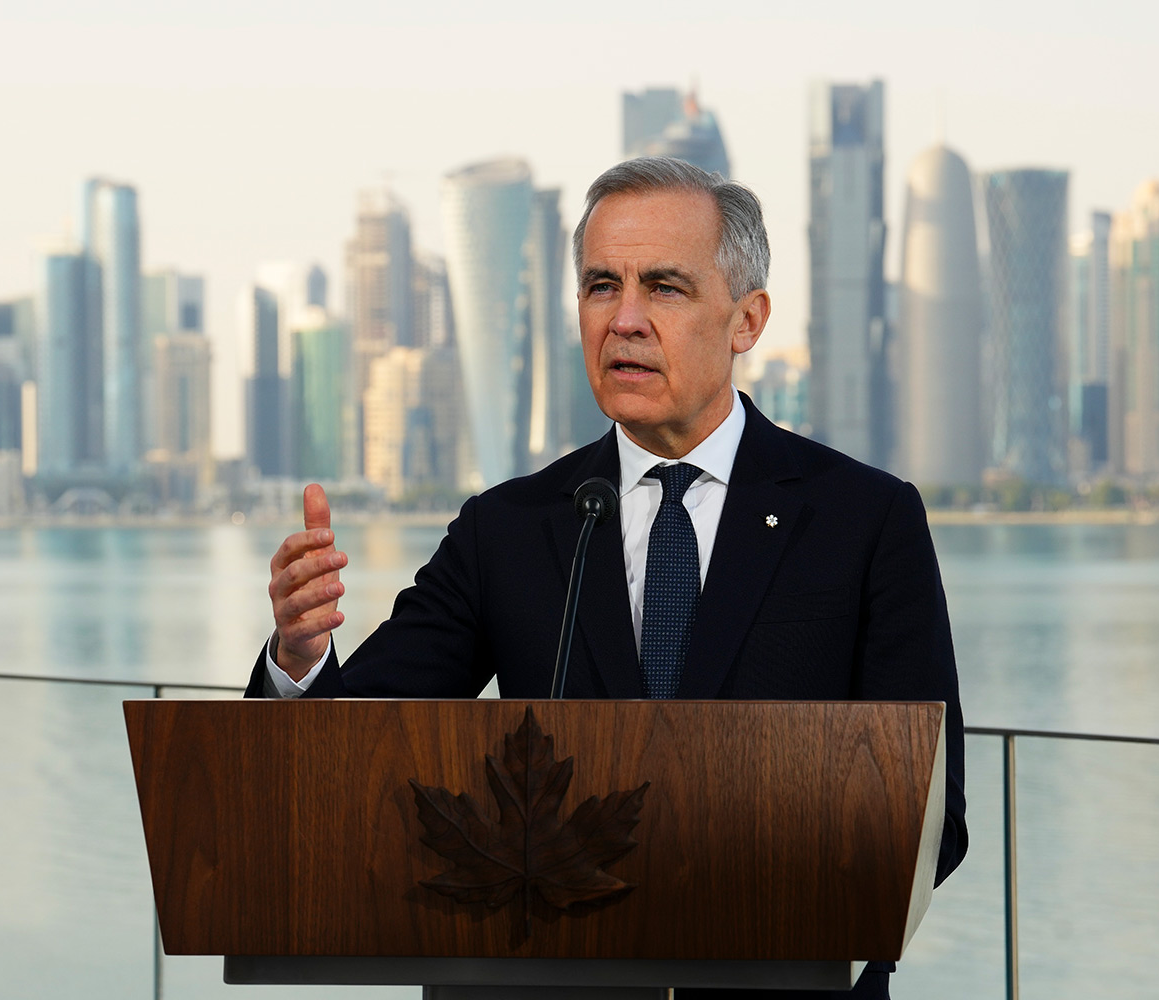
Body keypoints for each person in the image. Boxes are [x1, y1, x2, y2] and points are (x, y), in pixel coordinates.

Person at [247, 156, 965, 999]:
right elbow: (347, 757)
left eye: (664, 287)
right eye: (600, 287)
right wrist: (298, 659)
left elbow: (933, 814)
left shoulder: (864, 520)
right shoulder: (506, 529)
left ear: (747, 320)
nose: (624, 320)